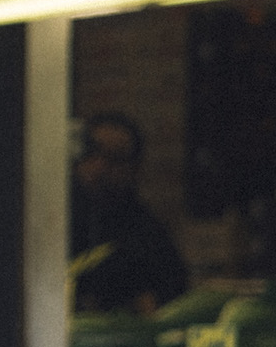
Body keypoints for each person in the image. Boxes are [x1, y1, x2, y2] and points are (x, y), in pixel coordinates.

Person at [70, 111, 189, 316]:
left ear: (133, 170)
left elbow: (165, 303)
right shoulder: (56, 219)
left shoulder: (146, 235)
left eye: (114, 159)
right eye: (92, 154)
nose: (100, 167)